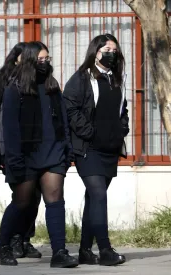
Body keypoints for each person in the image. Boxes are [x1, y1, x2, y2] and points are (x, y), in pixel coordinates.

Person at [0, 41, 77, 268]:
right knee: (22, 202)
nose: (44, 63)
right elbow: (9, 130)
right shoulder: (15, 89)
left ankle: (59, 252)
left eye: (47, 59)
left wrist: (67, 149)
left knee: (55, 199)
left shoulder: (52, 86)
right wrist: (13, 160)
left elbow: (63, 120)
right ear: (29, 61)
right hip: (25, 155)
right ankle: (3, 245)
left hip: (53, 152)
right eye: (40, 60)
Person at [63, 33, 128, 266]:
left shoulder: (117, 78)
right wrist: (89, 132)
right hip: (88, 149)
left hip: (110, 149)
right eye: (107, 50)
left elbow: (122, 109)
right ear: (95, 52)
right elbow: (69, 108)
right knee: (99, 194)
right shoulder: (82, 78)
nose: (112, 54)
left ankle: (84, 250)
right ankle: (105, 249)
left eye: (115, 50)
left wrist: (122, 129)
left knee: (93, 200)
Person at [0, 42, 42, 259]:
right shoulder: (6, 85)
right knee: (21, 197)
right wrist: (1, 153)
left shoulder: (37, 84)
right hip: (11, 150)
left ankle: (23, 238)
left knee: (35, 198)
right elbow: (0, 122)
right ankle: (9, 241)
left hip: (34, 151)